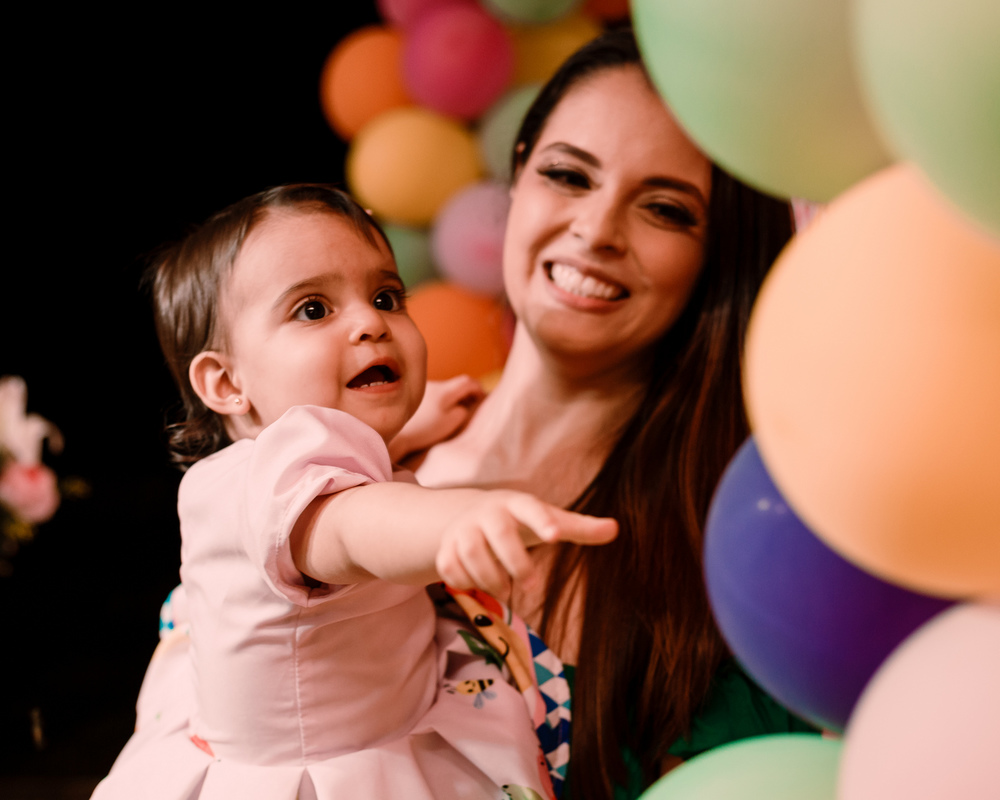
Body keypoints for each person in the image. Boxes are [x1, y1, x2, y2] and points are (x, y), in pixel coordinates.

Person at [90, 184, 617, 800]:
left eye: (386, 296)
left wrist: (409, 428)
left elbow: (333, 466)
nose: (371, 323)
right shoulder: (256, 488)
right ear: (227, 381)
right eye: (313, 310)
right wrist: (460, 518)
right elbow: (350, 524)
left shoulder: (277, 461)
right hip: (329, 775)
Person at [411, 28, 817, 800]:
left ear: (716, 256)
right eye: (568, 175)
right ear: (520, 169)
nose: (596, 232)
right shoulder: (359, 457)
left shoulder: (731, 553)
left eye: (665, 209)